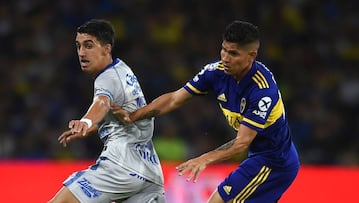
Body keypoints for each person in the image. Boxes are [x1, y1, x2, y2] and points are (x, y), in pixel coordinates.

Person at [112, 20, 300, 202]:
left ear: (251, 55)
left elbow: (242, 142)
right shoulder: (215, 72)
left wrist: (204, 159)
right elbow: (174, 99)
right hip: (259, 158)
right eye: (224, 50)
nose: (225, 58)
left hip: (275, 163)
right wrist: (133, 115)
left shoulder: (262, 91)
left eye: (233, 54)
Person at [48, 19, 165, 203]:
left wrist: (86, 121)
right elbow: (117, 116)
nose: (81, 53)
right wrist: (92, 128)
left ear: (106, 48)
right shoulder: (122, 70)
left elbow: (101, 103)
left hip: (121, 167)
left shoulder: (107, 78)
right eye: (78, 46)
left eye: (88, 46)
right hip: (150, 173)